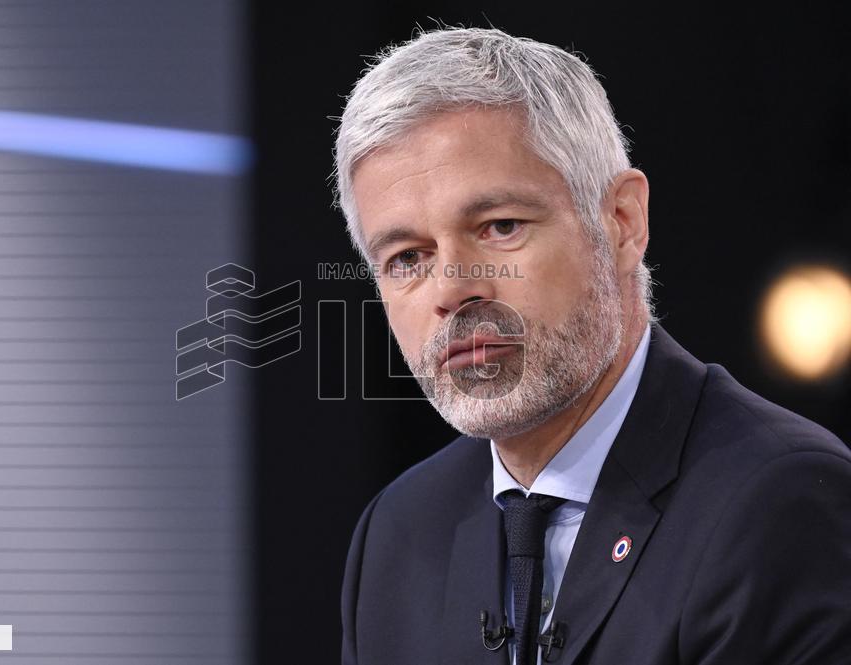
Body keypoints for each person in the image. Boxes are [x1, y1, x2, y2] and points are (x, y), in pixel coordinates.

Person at [332, 27, 851, 665]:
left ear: (623, 223)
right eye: (407, 257)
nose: (451, 289)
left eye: (499, 227)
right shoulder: (397, 534)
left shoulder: (778, 501)